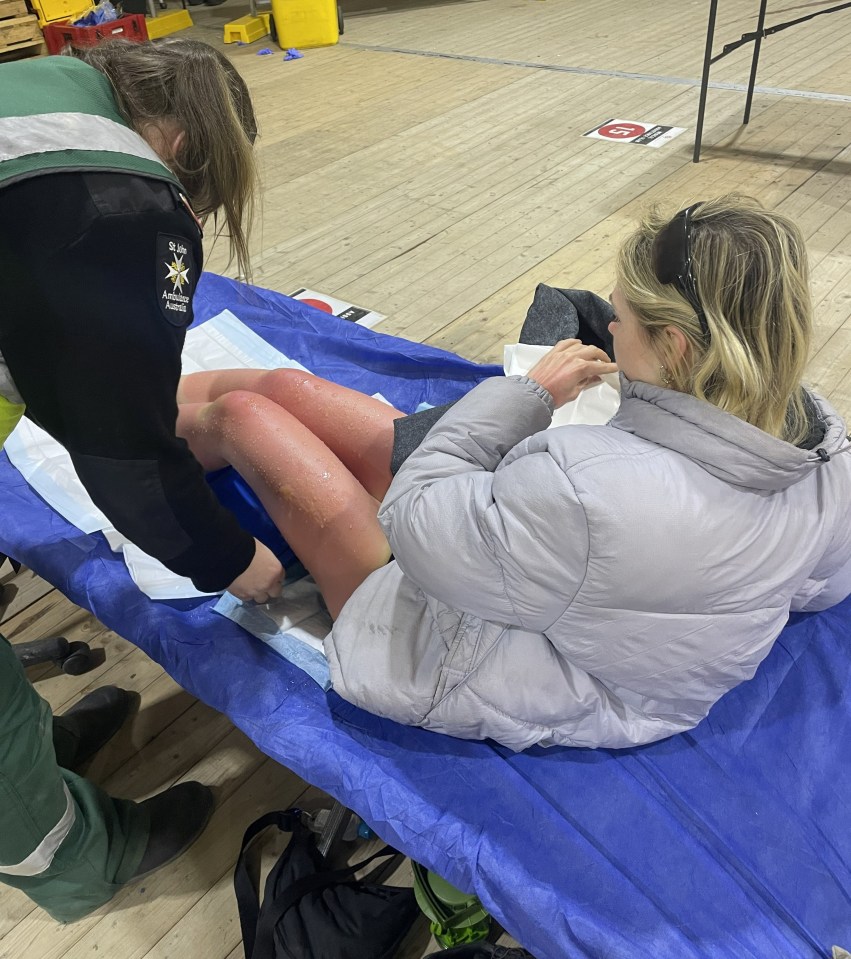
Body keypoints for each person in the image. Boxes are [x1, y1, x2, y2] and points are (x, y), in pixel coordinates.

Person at [175, 195, 851, 752]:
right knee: (288, 390)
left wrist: (527, 397)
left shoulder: (587, 488)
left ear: (673, 346)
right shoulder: (822, 451)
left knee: (245, 416)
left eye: (622, 316)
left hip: (454, 645)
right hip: (539, 571)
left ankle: (126, 441)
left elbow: (413, 522)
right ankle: (144, 404)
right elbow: (819, 583)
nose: (609, 324)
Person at [0, 39, 281, 921]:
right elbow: (129, 460)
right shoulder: (119, 203)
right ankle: (76, 859)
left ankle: (35, 751)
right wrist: (237, 561)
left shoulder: (31, 92)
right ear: (185, 144)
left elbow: (51, 340)